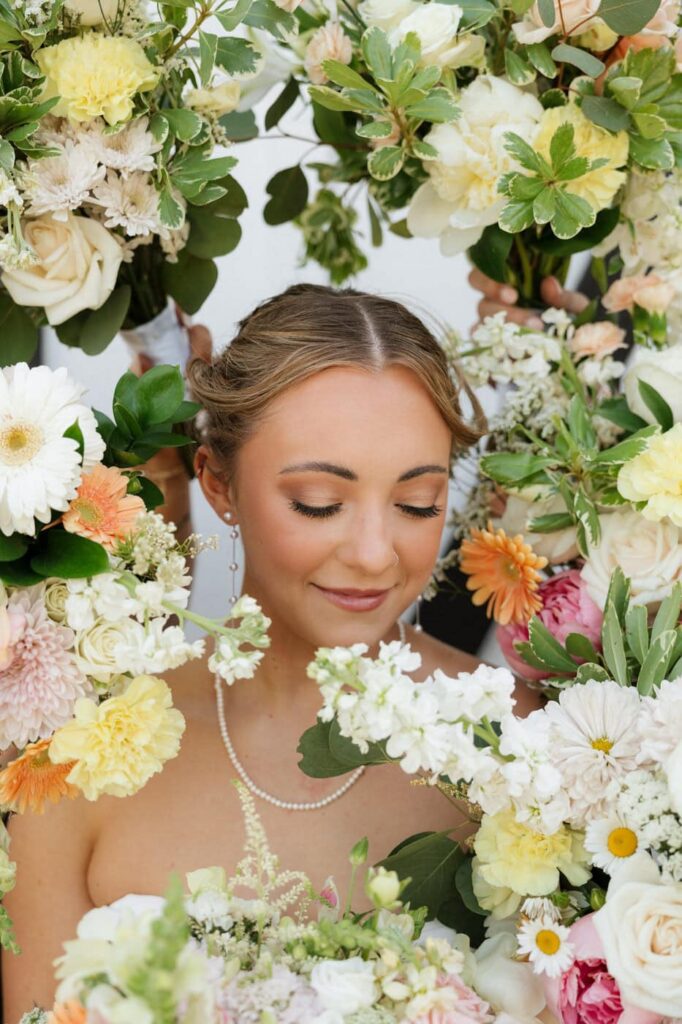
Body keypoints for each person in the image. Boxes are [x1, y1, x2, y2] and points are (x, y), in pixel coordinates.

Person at [2, 283, 543, 1012]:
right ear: (218, 483)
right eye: (319, 503)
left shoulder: (524, 746)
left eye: (418, 504)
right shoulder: (78, 755)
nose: (375, 553)